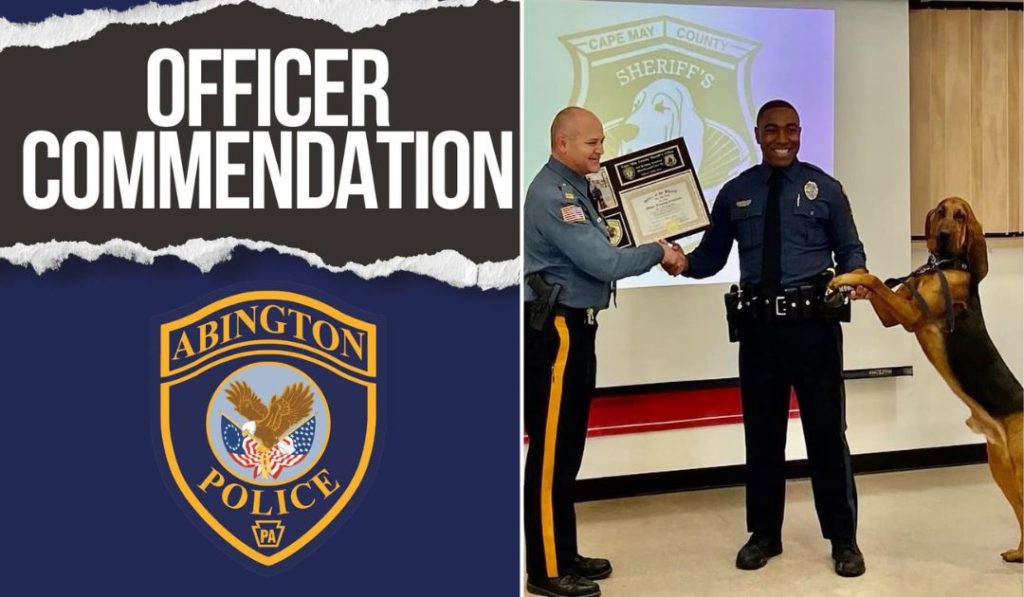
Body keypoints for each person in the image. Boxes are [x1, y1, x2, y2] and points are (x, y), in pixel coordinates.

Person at [678, 99, 870, 577]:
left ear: (800, 133)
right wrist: (677, 261)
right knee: (762, 438)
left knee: (827, 437)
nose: (782, 139)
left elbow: (851, 251)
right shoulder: (736, 192)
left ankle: (843, 540)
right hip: (759, 332)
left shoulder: (826, 190)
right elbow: (710, 257)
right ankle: (764, 534)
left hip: (813, 331)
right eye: (771, 130)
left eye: (791, 130)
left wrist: (856, 277)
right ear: (757, 134)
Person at [523, 106, 684, 597]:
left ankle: (564, 552)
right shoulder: (555, 196)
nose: (600, 150)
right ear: (562, 144)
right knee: (551, 455)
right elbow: (605, 263)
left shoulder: (577, 188)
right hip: (558, 332)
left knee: (567, 450)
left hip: (576, 329)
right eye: (591, 142)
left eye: (601, 141)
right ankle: (546, 571)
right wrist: (659, 251)